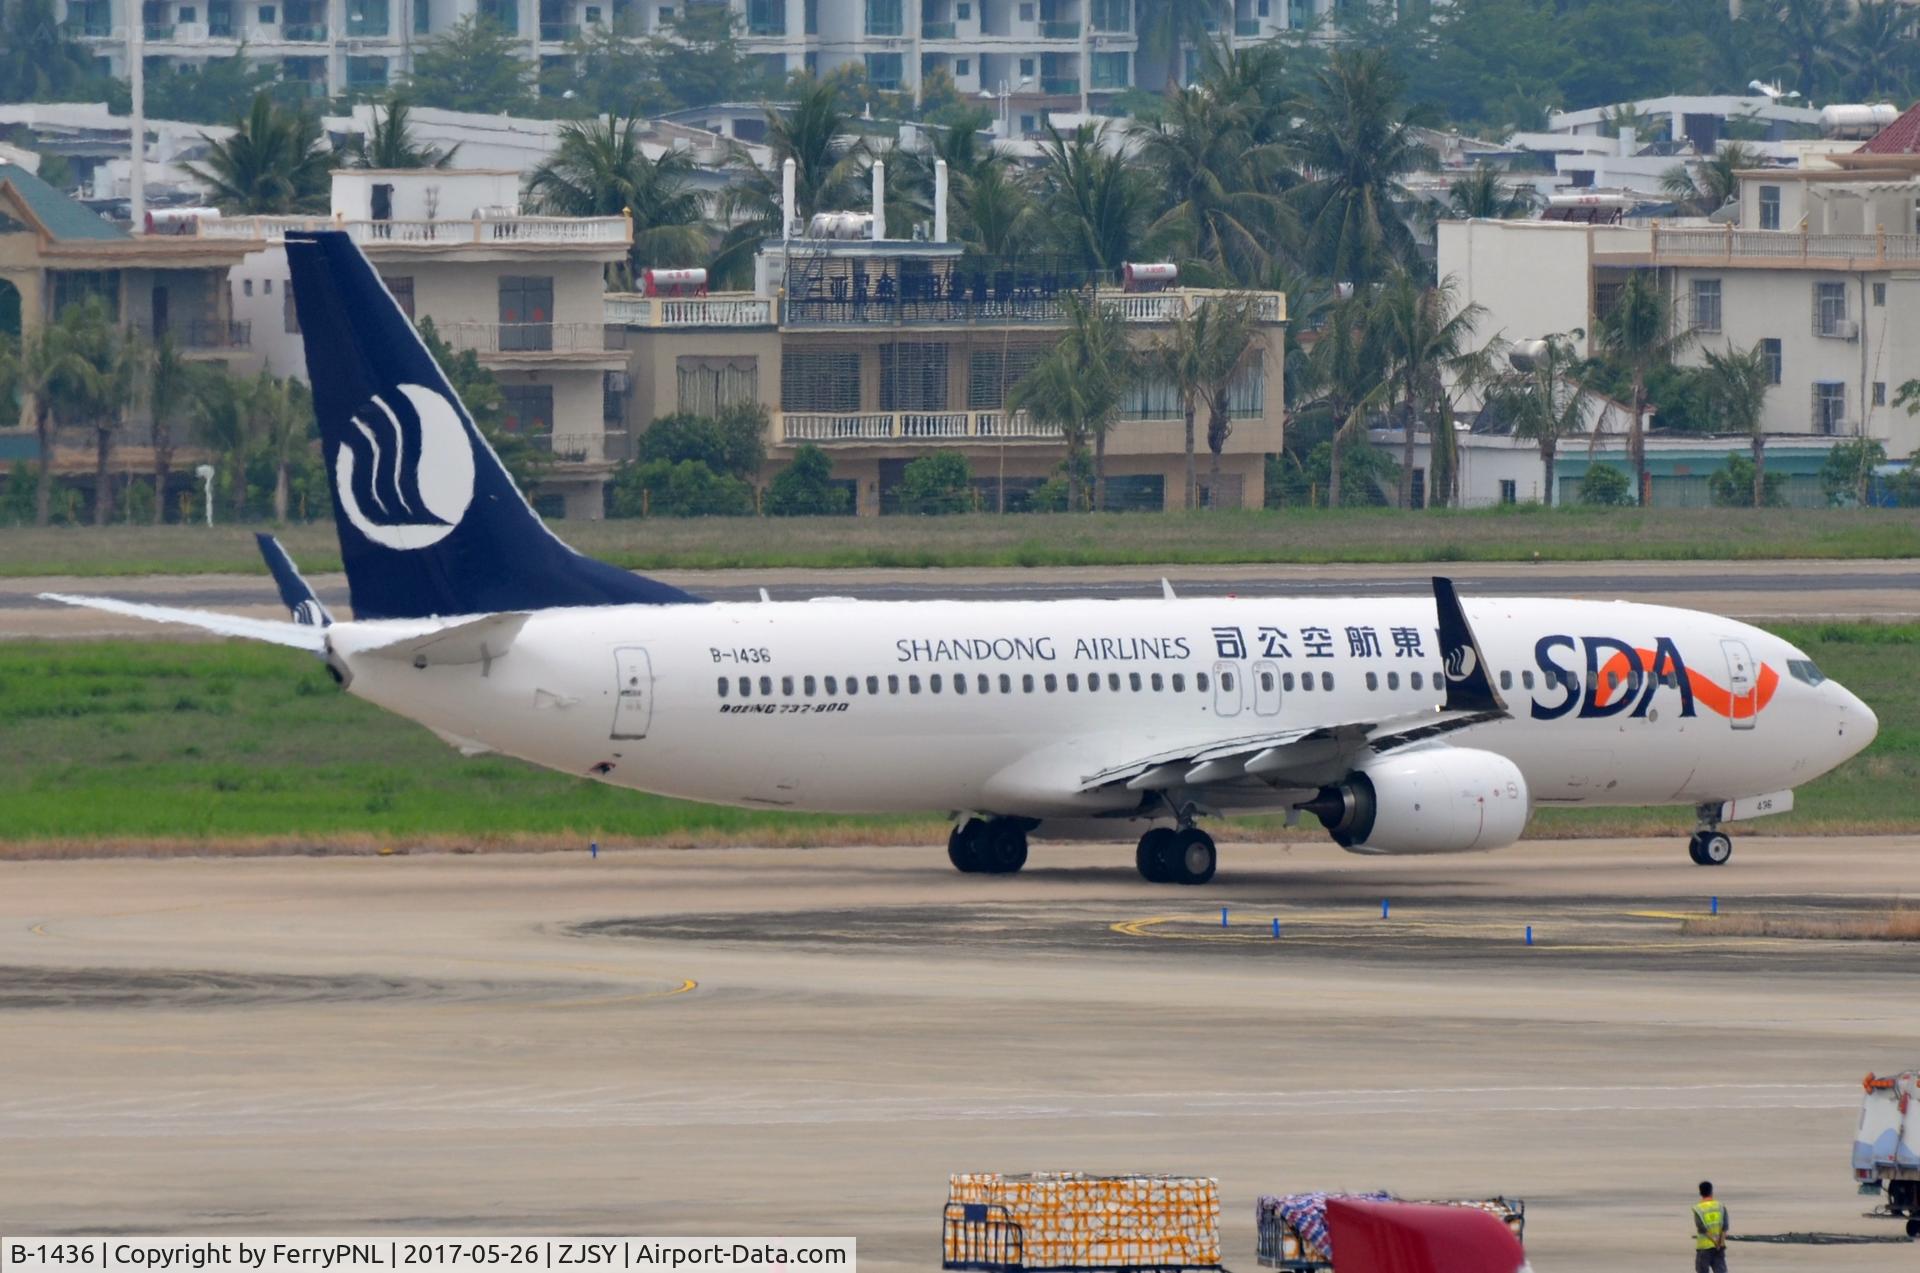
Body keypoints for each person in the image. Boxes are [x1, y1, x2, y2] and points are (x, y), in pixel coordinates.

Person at [1692, 1180, 1729, 1272]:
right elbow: (1725, 1226)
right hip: (1719, 1246)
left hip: (1704, 1247)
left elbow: (1701, 1228)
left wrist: (1714, 1241)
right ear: (1711, 1191)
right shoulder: (1720, 1206)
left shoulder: (1698, 1208)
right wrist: (1720, 1243)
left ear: (1700, 1193)